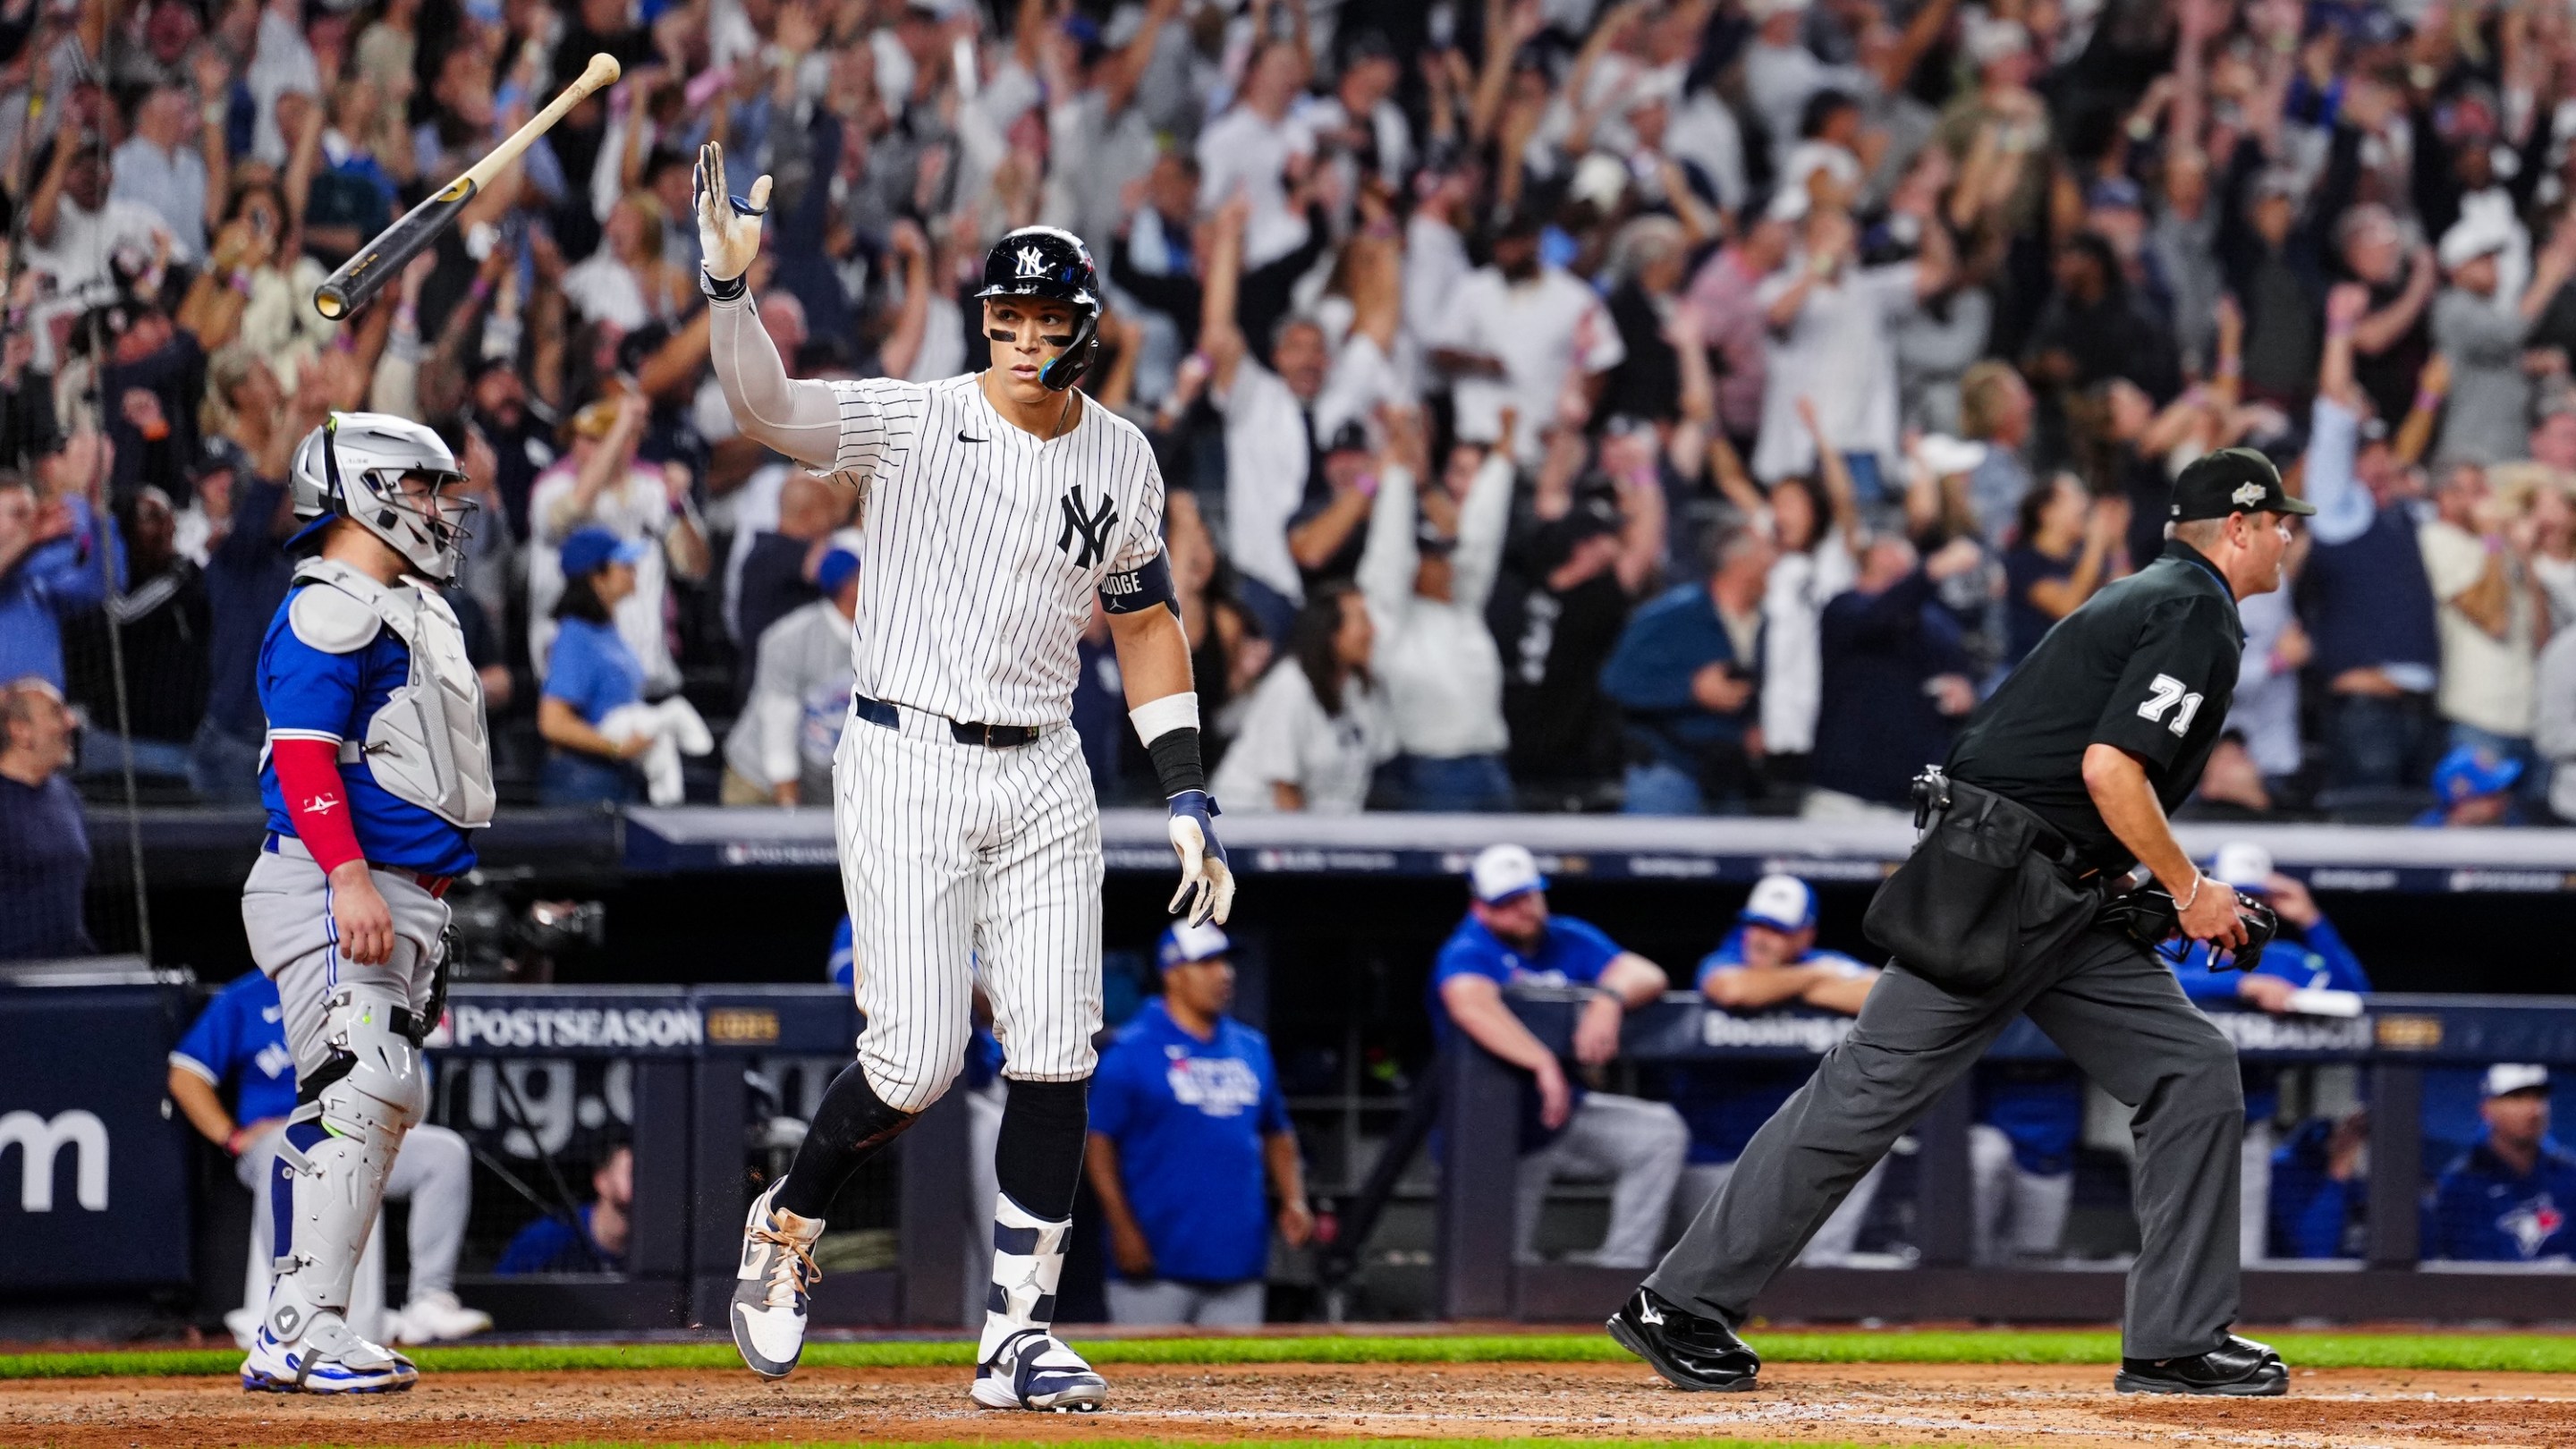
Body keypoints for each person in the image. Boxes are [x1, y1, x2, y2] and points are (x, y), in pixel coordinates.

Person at [696, 146, 1229, 1412]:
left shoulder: (1122, 459)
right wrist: (729, 296)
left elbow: (1147, 620)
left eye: (1048, 319)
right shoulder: (915, 416)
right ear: (983, 319)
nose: (1023, 336)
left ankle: (1016, 1338)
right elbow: (767, 412)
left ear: (1085, 330)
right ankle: (790, 1216)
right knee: (920, 1060)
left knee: (1057, 1054)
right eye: (1006, 316)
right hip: (906, 752)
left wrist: (1189, 793)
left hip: (1047, 762)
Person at [1614, 447, 2311, 1397]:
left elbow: (2068, 769)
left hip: (2058, 892)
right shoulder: (2193, 608)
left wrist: (2135, 887)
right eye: (2278, 521)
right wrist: (2191, 890)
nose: (2288, 537)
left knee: (2191, 1069)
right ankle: (1681, 1304)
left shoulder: (2151, 595)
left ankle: (2176, 1341)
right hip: (2006, 884)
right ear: (2238, 527)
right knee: (1866, 1091)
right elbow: (2113, 768)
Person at [238, 412, 489, 1394]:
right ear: (375, 492)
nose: (441, 509)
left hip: (392, 889)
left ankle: (314, 1324)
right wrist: (347, 875)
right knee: (359, 1089)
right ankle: (297, 1329)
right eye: (425, 489)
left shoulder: (402, 603)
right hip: (334, 882)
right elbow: (301, 757)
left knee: (376, 1097)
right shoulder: (328, 606)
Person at [167, 970, 491, 1347]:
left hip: (361, 1133)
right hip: (277, 1138)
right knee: (283, 1149)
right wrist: (232, 1136)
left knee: (444, 1153)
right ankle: (288, 1301)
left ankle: (430, 1300)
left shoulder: (375, 990)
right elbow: (186, 1075)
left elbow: (414, 1081)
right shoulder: (246, 996)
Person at [1431, 844, 1687, 1271]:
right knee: (1494, 1273)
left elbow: (1647, 974)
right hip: (1491, 1137)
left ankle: (1620, 1272)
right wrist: (1541, 1062)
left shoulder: (1567, 936)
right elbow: (1469, 1002)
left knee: (1659, 1133)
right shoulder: (1468, 948)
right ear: (1480, 907)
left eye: (1528, 896)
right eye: (1507, 903)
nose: (1523, 910)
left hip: (1562, 1115)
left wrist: (1608, 1000)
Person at [1087, 921, 1311, 1326]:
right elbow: (1099, 1145)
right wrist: (1122, 1226)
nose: (1224, 973)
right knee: (1148, 1387)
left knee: (1240, 1386)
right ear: (1173, 973)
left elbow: (1276, 1131)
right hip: (1155, 1259)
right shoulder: (1132, 1050)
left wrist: (1294, 1199)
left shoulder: (1251, 1047)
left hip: (1239, 1259)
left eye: (1225, 961)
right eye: (1206, 962)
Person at [2165, 842, 2372, 1264]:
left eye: (2256, 898)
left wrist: (2313, 921)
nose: (2245, 907)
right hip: (2167, 1123)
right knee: (2169, 1248)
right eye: (2235, 894)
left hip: (2249, 1125)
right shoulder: (2175, 948)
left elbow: (2358, 1000)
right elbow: (2154, 982)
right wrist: (2240, 987)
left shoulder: (2283, 959)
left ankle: (2228, 1328)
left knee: (2242, 1254)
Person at [1664, 877, 1885, 1261]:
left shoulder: (1817, 962)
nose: (1761, 938)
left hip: (1794, 1158)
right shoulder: (1727, 958)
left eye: (1777, 930)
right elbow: (1733, 990)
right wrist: (1815, 979)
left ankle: (1826, 1289)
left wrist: (1790, 986)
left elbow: (1882, 995)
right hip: (1718, 1156)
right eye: (1756, 924)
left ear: (1805, 936)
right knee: (1717, 1268)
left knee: (1863, 1138)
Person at [1599, 524, 1775, 815]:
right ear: (1739, 563)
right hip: (1667, 774)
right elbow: (1617, 681)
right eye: (1765, 552)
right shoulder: (1672, 615)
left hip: (1730, 779)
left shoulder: (1769, 622)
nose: (1773, 561)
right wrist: (1690, 689)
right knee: (1654, 861)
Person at [1209, 581, 1394, 813]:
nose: (1373, 631)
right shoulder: (1291, 686)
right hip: (1243, 828)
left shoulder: (1363, 689)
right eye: (1363, 621)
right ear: (1332, 634)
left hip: (1328, 834)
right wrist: (1307, 846)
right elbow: (1284, 790)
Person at [721, 535, 860, 807]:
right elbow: (778, 724)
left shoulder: (881, 643)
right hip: (759, 780)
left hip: (822, 785)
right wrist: (789, 813)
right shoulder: (790, 638)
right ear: (850, 585)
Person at [536, 528, 655, 807]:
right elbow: (552, 722)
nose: (633, 570)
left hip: (613, 777)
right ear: (596, 577)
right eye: (624, 565)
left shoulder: (606, 630)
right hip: (583, 784)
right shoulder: (575, 635)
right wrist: (616, 747)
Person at [2429, 1065, 2576, 1263]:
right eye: (2518, 1098)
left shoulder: (2569, 1176)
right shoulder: (2461, 1186)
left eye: (2539, 1098)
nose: (2534, 1110)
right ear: (2487, 1109)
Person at [0, 678, 91, 961]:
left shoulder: (66, 794)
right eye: (56, 712)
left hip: (67, 974)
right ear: (21, 731)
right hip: (13, 986)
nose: (71, 721)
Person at [496, 1142, 634, 1274]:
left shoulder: (652, 1243)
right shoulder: (549, 1237)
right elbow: (499, 1293)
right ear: (602, 1181)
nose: (643, 1181)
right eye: (632, 1173)